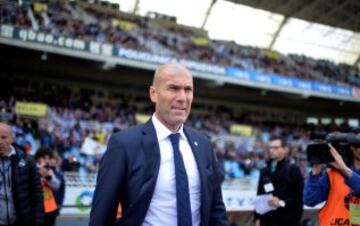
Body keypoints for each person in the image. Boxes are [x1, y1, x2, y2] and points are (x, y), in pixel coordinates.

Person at [89, 63, 229, 226]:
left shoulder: (203, 144)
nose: (182, 97)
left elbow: (216, 210)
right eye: (173, 88)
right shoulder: (124, 144)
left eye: (188, 90)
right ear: (153, 94)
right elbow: (102, 214)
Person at [303, 132, 360, 226]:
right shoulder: (333, 174)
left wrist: (344, 169)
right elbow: (310, 200)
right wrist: (315, 172)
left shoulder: (342, 170)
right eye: (358, 145)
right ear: (352, 147)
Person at [0, 122, 44, 226]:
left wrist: (38, 222)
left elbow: (37, 196)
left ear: (12, 139)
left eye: (4, 137)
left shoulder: (28, 161)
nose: (0, 142)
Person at [255, 136, 304, 226]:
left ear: (285, 149)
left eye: (276, 147)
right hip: (267, 221)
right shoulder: (264, 171)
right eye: (270, 147)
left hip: (287, 221)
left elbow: (300, 197)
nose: (271, 150)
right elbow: (259, 195)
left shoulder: (293, 169)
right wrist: (257, 218)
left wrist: (281, 202)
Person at [35, 148, 65, 226]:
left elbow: (57, 186)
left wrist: (48, 177)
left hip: (50, 209)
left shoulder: (50, 171)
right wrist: (38, 173)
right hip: (36, 208)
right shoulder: (33, 169)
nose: (46, 160)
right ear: (38, 158)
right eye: (44, 158)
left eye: (48, 158)